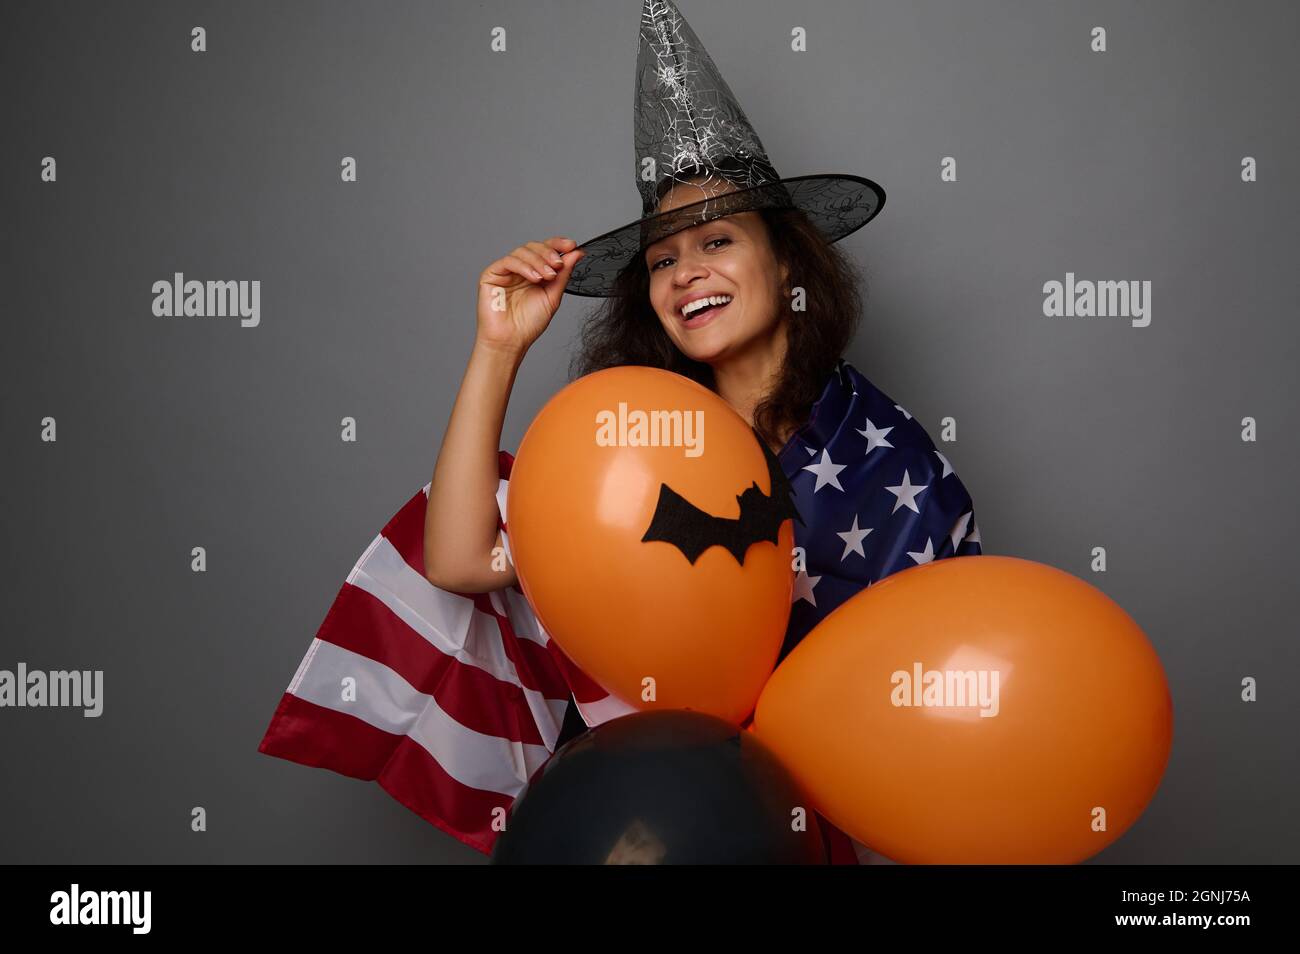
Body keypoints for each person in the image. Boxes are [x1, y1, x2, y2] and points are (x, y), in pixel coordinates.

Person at [260, 0, 980, 864]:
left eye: (717, 240)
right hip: (627, 829)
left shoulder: (886, 456)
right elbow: (457, 560)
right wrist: (498, 348)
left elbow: (939, 697)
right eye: (663, 260)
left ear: (786, 260)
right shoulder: (638, 442)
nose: (687, 275)